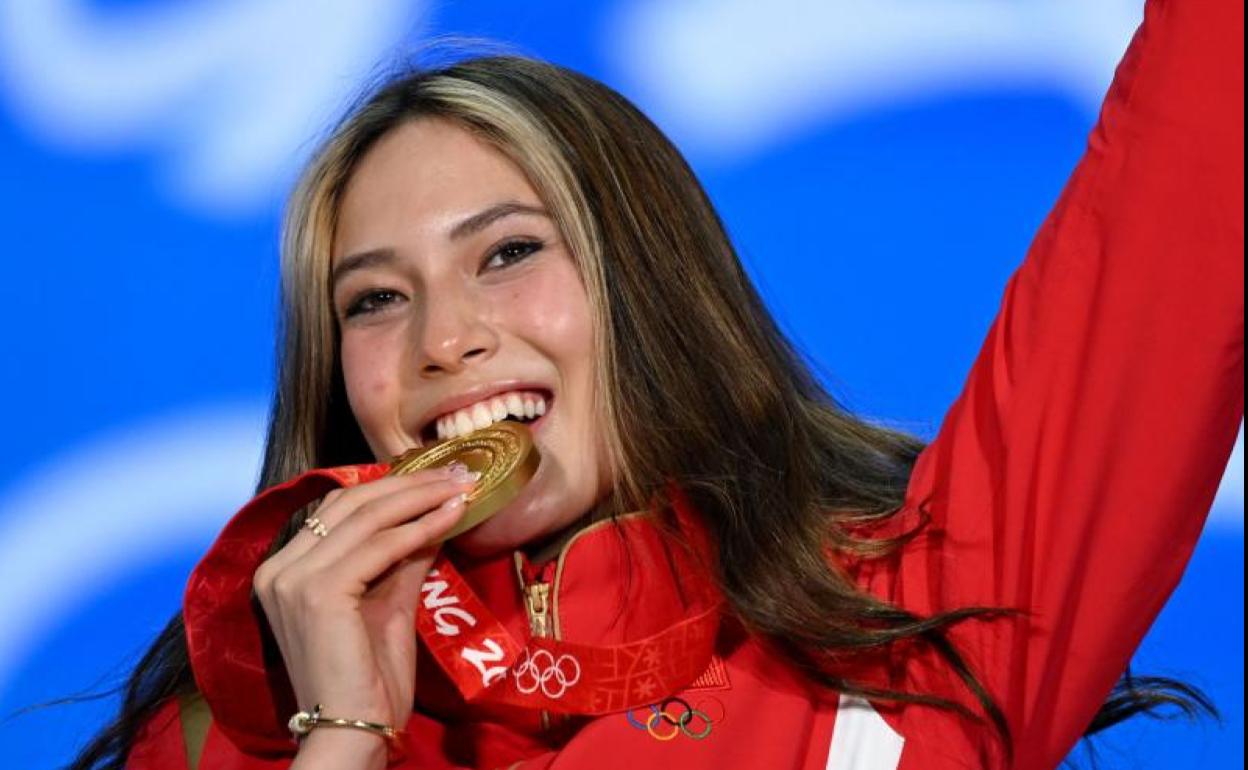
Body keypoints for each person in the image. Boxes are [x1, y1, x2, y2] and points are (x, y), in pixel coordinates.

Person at [69, 0, 1242, 767]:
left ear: (651, 288)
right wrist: (344, 735)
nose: (442, 339)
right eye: (375, 298)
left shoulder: (913, 638)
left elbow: (1191, 171)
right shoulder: (229, 732)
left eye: (509, 252)